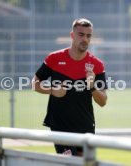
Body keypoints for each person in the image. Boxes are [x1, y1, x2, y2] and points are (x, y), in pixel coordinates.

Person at [32, 18, 107, 156]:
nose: (85, 39)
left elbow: (103, 101)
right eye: (81, 34)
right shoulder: (53, 58)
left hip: (85, 126)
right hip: (60, 127)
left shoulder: (97, 65)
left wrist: (92, 87)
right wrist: (52, 90)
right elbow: (35, 84)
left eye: (88, 36)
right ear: (72, 35)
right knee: (70, 161)